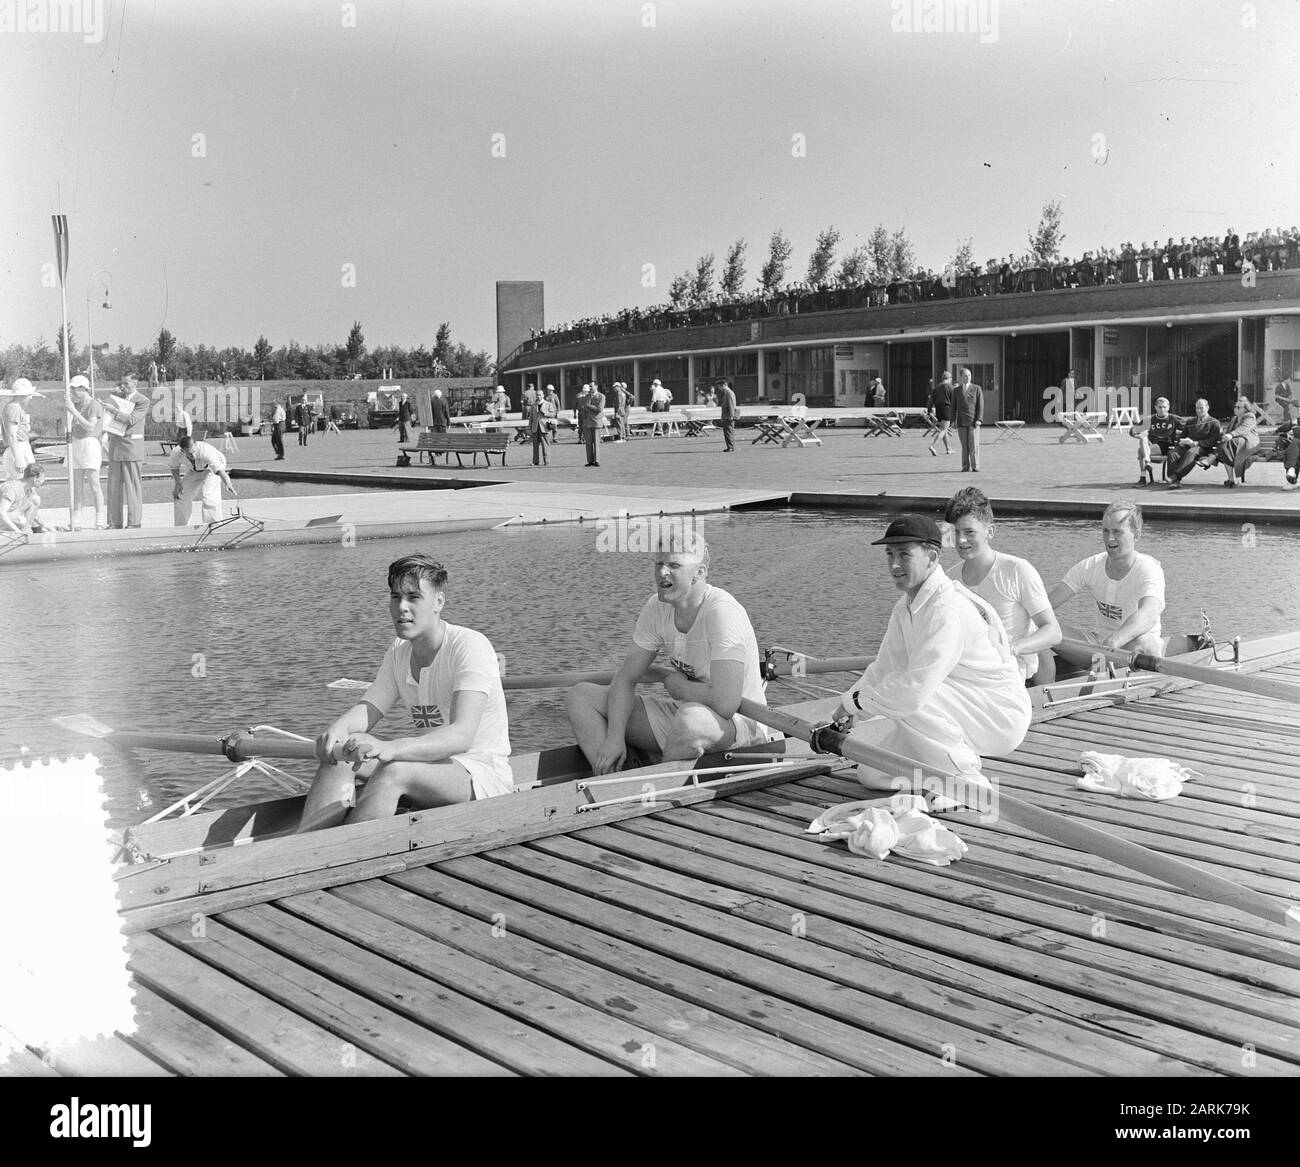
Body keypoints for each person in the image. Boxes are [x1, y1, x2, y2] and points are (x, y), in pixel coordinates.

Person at [812, 514, 1031, 789]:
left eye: (904, 554)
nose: (894, 564)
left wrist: (857, 702)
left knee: (907, 691)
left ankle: (967, 780)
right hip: (960, 703)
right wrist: (846, 710)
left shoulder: (946, 610)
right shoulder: (906, 606)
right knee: (871, 773)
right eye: (889, 554)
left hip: (998, 713)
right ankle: (938, 778)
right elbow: (884, 667)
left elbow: (913, 691)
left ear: (932, 556)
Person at [297, 554, 512, 832]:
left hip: (480, 775)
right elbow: (371, 706)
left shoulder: (470, 646)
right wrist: (338, 729)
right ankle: (307, 843)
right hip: (428, 766)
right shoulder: (399, 651)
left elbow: (461, 736)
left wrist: (390, 748)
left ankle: (339, 849)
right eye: (395, 597)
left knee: (394, 770)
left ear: (438, 602)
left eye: (413, 597)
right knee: (340, 755)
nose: (402, 608)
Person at [564, 533, 777, 774]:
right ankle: (611, 781)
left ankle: (656, 788)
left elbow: (726, 703)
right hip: (685, 717)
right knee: (580, 697)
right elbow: (625, 678)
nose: (662, 572)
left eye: (674, 565)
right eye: (659, 564)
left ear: (699, 572)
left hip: (739, 726)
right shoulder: (656, 608)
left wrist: (677, 685)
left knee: (689, 719)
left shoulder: (722, 613)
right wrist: (614, 736)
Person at [944, 488, 1061, 684]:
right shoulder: (950, 579)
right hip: (968, 673)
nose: (961, 540)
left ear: (990, 531)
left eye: (969, 532)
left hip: (1008, 673)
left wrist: (1014, 648)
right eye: (956, 532)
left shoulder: (1017, 570)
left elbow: (1053, 632)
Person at [1047, 501, 1165, 670]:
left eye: (1117, 532)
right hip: (1098, 646)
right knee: (1041, 626)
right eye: (1106, 531)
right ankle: (1041, 688)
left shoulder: (1149, 569)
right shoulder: (1090, 565)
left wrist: (1114, 641)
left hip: (1136, 649)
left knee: (1142, 640)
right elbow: (1044, 607)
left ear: (1136, 535)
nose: (1110, 538)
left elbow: (1148, 615)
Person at [103, 382, 150, 528]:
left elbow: (132, 419)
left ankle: (134, 522)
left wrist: (114, 411)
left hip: (131, 448)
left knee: (133, 488)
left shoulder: (142, 400)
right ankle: (113, 522)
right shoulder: (117, 398)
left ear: (135, 383)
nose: (124, 386)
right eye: (122, 383)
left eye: (127, 383)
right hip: (116, 448)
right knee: (113, 488)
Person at [64, 375, 106, 530]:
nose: (73, 392)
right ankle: (77, 520)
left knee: (94, 484)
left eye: (75, 389)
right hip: (76, 443)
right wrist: (71, 410)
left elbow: (90, 426)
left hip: (90, 443)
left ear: (83, 388)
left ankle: (100, 519)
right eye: (72, 389)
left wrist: (73, 411)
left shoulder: (94, 405)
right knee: (77, 486)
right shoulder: (76, 405)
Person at [168, 433, 237, 526]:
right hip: (194, 470)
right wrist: (177, 484)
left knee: (209, 497)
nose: (192, 455)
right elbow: (174, 467)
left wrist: (228, 483)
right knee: (180, 496)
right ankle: (181, 528)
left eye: (193, 452)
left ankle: (214, 526)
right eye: (189, 453)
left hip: (211, 469)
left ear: (195, 445)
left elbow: (220, 470)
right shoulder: (176, 452)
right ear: (182, 450)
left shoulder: (206, 451)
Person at [1166, 398, 1221, 487]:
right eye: (1197, 408)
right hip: (1187, 446)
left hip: (1203, 448)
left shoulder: (1214, 422)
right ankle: (1174, 482)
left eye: (1201, 408)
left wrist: (1196, 443)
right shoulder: (1190, 421)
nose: (1198, 410)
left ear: (1207, 408)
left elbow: (1213, 441)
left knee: (1192, 452)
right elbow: (1182, 436)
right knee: (1173, 453)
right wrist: (1181, 442)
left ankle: (1174, 477)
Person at [1132, 396, 1183, 484]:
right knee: (1143, 439)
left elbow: (1188, 425)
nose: (1162, 409)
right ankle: (1146, 467)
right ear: (1155, 407)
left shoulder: (1173, 419)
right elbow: (1132, 431)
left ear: (1168, 408)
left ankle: (1143, 476)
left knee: (1141, 451)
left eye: (1164, 407)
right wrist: (1139, 436)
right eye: (1160, 407)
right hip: (1153, 446)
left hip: (1168, 446)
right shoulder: (1150, 419)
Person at [1, 377, 40, 481]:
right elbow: (12, 434)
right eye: (28, 395)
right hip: (19, 448)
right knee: (26, 485)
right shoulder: (14, 408)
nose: (30, 398)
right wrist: (18, 458)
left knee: (18, 487)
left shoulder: (12, 407)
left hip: (18, 448)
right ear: (23, 395)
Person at [1217, 397, 1260, 487]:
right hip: (1235, 444)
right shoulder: (1234, 418)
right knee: (1224, 446)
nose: (1235, 408)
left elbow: (1244, 428)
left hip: (1248, 443)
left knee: (1227, 445)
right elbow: (1228, 430)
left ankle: (1232, 478)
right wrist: (1223, 432)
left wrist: (1231, 435)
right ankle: (1231, 479)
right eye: (1235, 406)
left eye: (1238, 407)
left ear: (1245, 409)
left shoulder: (1250, 416)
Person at [0, 463, 48, 534]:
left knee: (35, 499)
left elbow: (33, 513)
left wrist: (45, 526)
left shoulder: (29, 490)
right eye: (42, 478)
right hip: (3, 518)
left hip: (9, 517)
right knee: (21, 521)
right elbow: (1, 512)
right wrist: (17, 531)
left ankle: (26, 531)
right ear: (35, 478)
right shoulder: (12, 488)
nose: (43, 480)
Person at [953, 367, 983, 471]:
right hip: (961, 422)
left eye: (969, 375)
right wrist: (953, 420)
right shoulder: (956, 390)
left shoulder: (976, 388)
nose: (968, 377)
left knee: (973, 445)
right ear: (961, 377)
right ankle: (965, 466)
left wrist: (979, 419)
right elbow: (953, 407)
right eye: (965, 375)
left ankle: (975, 466)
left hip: (973, 422)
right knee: (964, 446)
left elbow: (980, 405)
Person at [927, 371, 954, 456]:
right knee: (943, 429)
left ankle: (948, 448)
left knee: (943, 428)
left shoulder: (936, 388)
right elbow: (953, 400)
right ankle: (933, 446)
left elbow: (930, 401)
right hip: (947, 408)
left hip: (938, 409)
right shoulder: (950, 387)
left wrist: (929, 411)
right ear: (949, 378)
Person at [583, 381, 607, 467]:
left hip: (596, 422)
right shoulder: (586, 396)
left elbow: (599, 409)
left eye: (591, 386)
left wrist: (589, 406)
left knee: (596, 442)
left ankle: (597, 460)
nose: (590, 388)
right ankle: (590, 461)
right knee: (588, 443)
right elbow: (584, 410)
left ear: (596, 386)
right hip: (587, 423)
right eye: (589, 386)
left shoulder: (601, 396)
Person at [526, 387, 550, 467]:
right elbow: (531, 418)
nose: (538, 396)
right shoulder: (533, 405)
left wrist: (546, 413)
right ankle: (535, 461)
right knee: (535, 446)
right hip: (535, 427)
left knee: (545, 445)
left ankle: (546, 461)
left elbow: (553, 413)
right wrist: (529, 427)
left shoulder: (548, 404)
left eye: (540, 395)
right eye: (537, 395)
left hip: (544, 427)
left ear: (543, 395)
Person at [717, 378, 738, 453]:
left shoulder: (729, 393)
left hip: (728, 416)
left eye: (719, 387)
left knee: (728, 432)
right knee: (728, 432)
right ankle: (730, 446)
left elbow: (731, 405)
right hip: (727, 415)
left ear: (723, 385)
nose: (719, 389)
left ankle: (730, 447)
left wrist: (731, 415)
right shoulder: (727, 392)